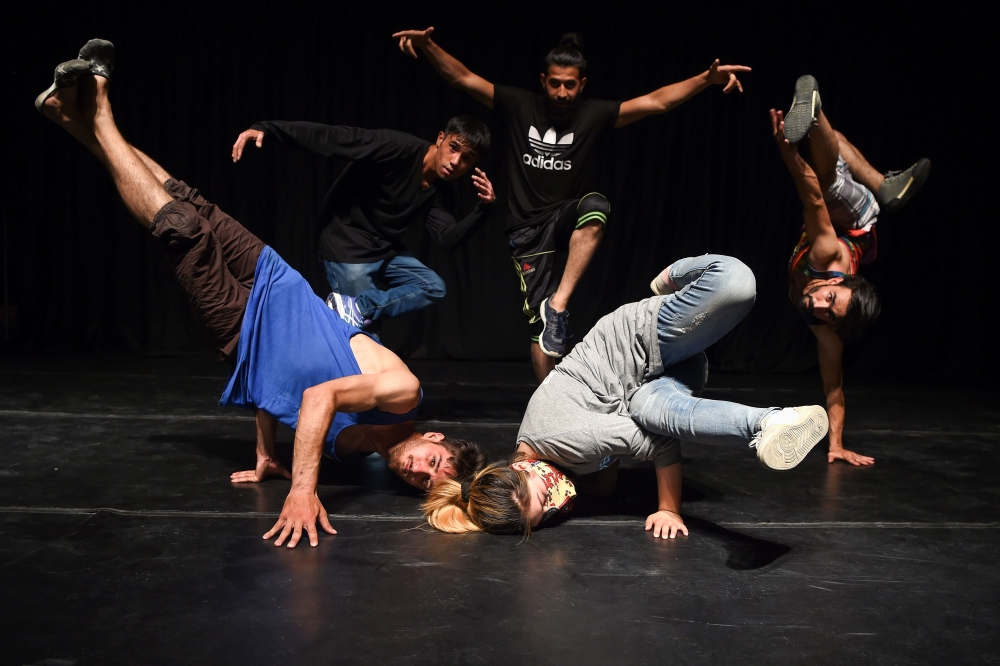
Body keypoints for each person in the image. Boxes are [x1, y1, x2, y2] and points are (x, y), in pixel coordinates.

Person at [35, 41, 486, 549]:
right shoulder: (402, 394)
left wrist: (268, 452)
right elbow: (320, 395)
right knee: (189, 202)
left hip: (243, 330)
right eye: (433, 464)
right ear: (434, 438)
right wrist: (301, 489)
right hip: (278, 280)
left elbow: (287, 388)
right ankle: (78, 115)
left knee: (181, 225)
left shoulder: (357, 454)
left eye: (426, 482)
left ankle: (90, 107)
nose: (418, 471)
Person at [391, 28, 751, 381]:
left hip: (564, 218)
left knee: (595, 205)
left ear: (583, 85)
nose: (562, 92)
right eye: (555, 83)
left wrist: (706, 78)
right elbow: (464, 78)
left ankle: (558, 305)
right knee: (542, 335)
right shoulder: (520, 105)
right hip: (526, 229)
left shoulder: (593, 115)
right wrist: (429, 45)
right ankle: (547, 400)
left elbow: (656, 102)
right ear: (544, 80)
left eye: (570, 85)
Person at [422, 254, 830, 538]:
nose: (552, 502)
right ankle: (767, 423)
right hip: (654, 383)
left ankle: (674, 274)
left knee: (738, 284)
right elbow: (604, 477)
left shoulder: (560, 439)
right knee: (651, 408)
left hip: (639, 340)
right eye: (543, 515)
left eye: (541, 496)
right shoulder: (545, 460)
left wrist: (669, 508)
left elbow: (661, 442)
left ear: (521, 468)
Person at [770, 75, 930, 467]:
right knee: (823, 181)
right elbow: (809, 194)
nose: (820, 306)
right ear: (837, 282)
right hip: (859, 219)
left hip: (842, 221)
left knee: (834, 145)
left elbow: (834, 388)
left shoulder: (828, 329)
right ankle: (820, 114)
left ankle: (878, 177)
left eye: (828, 312)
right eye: (830, 299)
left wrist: (836, 444)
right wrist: (788, 152)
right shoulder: (827, 259)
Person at [231, 116, 496, 329]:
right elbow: (335, 139)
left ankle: (355, 308)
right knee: (367, 339)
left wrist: (482, 209)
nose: (456, 161)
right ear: (440, 139)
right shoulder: (397, 148)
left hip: (382, 250)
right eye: (454, 148)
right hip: (346, 245)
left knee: (433, 286)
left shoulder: (440, 191)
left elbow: (446, 237)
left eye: (467, 159)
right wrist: (269, 129)